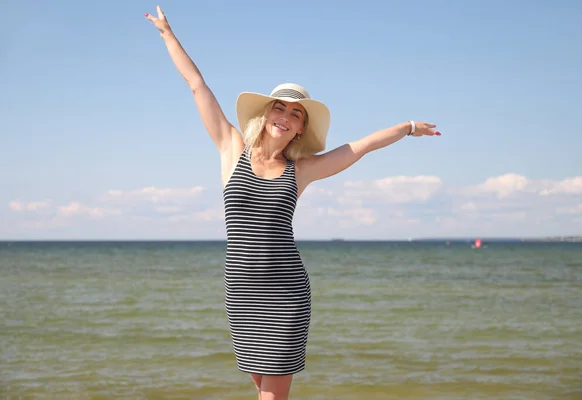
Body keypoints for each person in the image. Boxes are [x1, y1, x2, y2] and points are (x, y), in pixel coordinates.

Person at [145, 5, 440, 400]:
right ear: (267, 114)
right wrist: (167, 34)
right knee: (261, 391)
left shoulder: (300, 170)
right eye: (279, 107)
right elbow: (198, 85)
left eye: (295, 113)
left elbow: (360, 147)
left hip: (286, 292)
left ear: (301, 127)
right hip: (243, 293)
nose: (285, 115)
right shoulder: (231, 148)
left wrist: (407, 128)